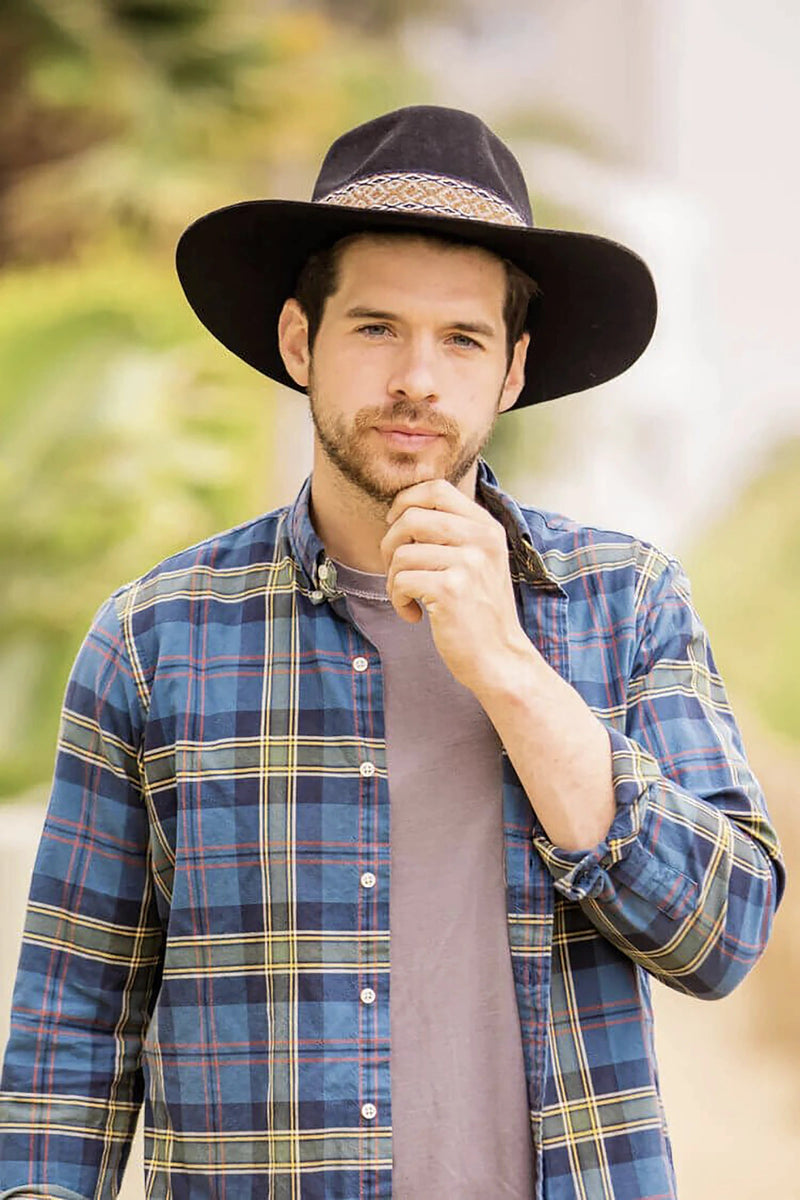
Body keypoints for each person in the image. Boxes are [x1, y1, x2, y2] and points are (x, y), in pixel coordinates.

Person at [0, 105, 785, 1200]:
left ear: (510, 370)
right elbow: (69, 1031)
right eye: (374, 328)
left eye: (460, 339)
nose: (417, 377)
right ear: (296, 342)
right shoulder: (152, 638)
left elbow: (720, 934)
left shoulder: (626, 600)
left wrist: (507, 665)